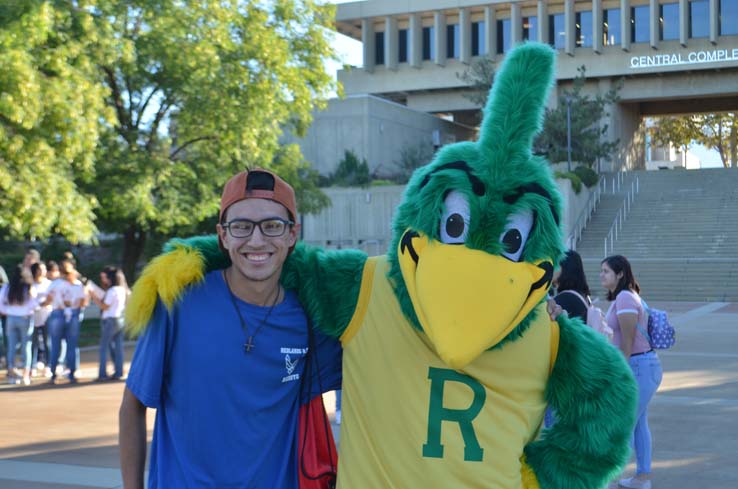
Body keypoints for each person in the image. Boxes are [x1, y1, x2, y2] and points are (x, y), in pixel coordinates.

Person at [119, 168, 342, 489]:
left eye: (272, 226)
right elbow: (133, 406)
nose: (256, 240)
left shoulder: (310, 318)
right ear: (222, 235)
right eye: (241, 226)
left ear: (293, 234)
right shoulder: (178, 301)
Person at [600, 255, 662, 489]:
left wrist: (620, 375)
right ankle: (642, 478)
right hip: (643, 366)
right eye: (602, 271)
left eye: (606, 271)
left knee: (623, 425)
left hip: (637, 367)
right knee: (638, 424)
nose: (601, 275)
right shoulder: (625, 297)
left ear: (620, 274)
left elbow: (627, 341)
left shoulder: (625, 298)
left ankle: (603, 478)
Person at [46, 258, 87, 384]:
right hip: (73, 314)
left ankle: (53, 373)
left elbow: (48, 299)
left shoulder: (54, 284)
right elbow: (82, 302)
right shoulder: (77, 284)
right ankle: (72, 373)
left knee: (55, 345)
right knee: (72, 346)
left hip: (57, 313)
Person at [0, 264, 39, 385]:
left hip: (11, 318)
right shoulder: (28, 287)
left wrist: (9, 312)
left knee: (11, 347)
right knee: (26, 346)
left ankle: (11, 374)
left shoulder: (7, 287)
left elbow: (1, 303)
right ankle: (26, 375)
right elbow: (34, 304)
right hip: (25, 318)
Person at [89, 266, 128, 380]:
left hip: (110, 320)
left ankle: (102, 374)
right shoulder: (122, 289)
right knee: (118, 347)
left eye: (105, 278)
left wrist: (93, 296)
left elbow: (104, 307)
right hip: (119, 319)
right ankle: (119, 372)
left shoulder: (112, 290)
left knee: (103, 347)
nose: (104, 280)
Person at [552, 249, 592, 323]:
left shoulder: (566, 298)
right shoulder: (583, 296)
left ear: (566, 268)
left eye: (555, 265)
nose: (551, 268)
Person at [30, 262, 52, 376]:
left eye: (44, 269)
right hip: (33, 317)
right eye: (40, 269)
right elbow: (29, 300)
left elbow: (51, 299)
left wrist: (41, 304)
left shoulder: (49, 284)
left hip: (46, 315)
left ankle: (48, 365)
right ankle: (32, 366)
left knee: (47, 341)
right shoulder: (30, 284)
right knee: (33, 343)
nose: (43, 271)